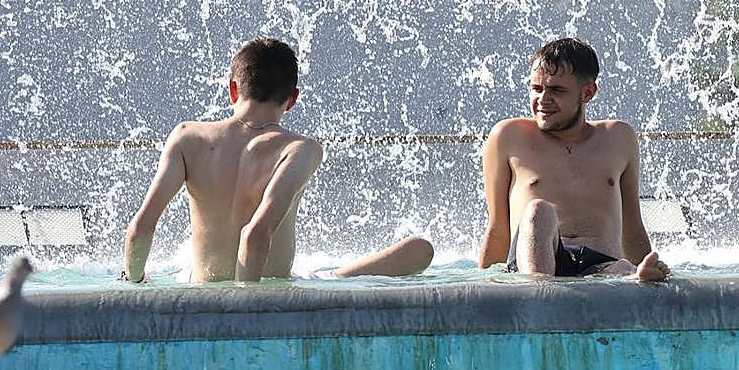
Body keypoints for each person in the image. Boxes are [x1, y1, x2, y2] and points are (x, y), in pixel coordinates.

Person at [122, 37, 433, 283]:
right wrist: (248, 313)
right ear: (293, 98)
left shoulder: (187, 137)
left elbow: (140, 229)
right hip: (266, 291)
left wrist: (135, 282)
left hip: (202, 286)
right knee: (420, 251)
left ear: (233, 90)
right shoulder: (299, 149)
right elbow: (256, 234)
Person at [478, 37, 670, 281]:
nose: (543, 100)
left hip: (600, 265)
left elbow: (632, 228)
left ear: (588, 92)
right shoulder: (508, 136)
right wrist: (482, 288)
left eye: (557, 90)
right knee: (539, 210)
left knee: (624, 269)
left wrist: (648, 270)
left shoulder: (619, 138)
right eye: (537, 89)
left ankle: (634, 279)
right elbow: (497, 229)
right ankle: (540, 292)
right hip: (533, 261)